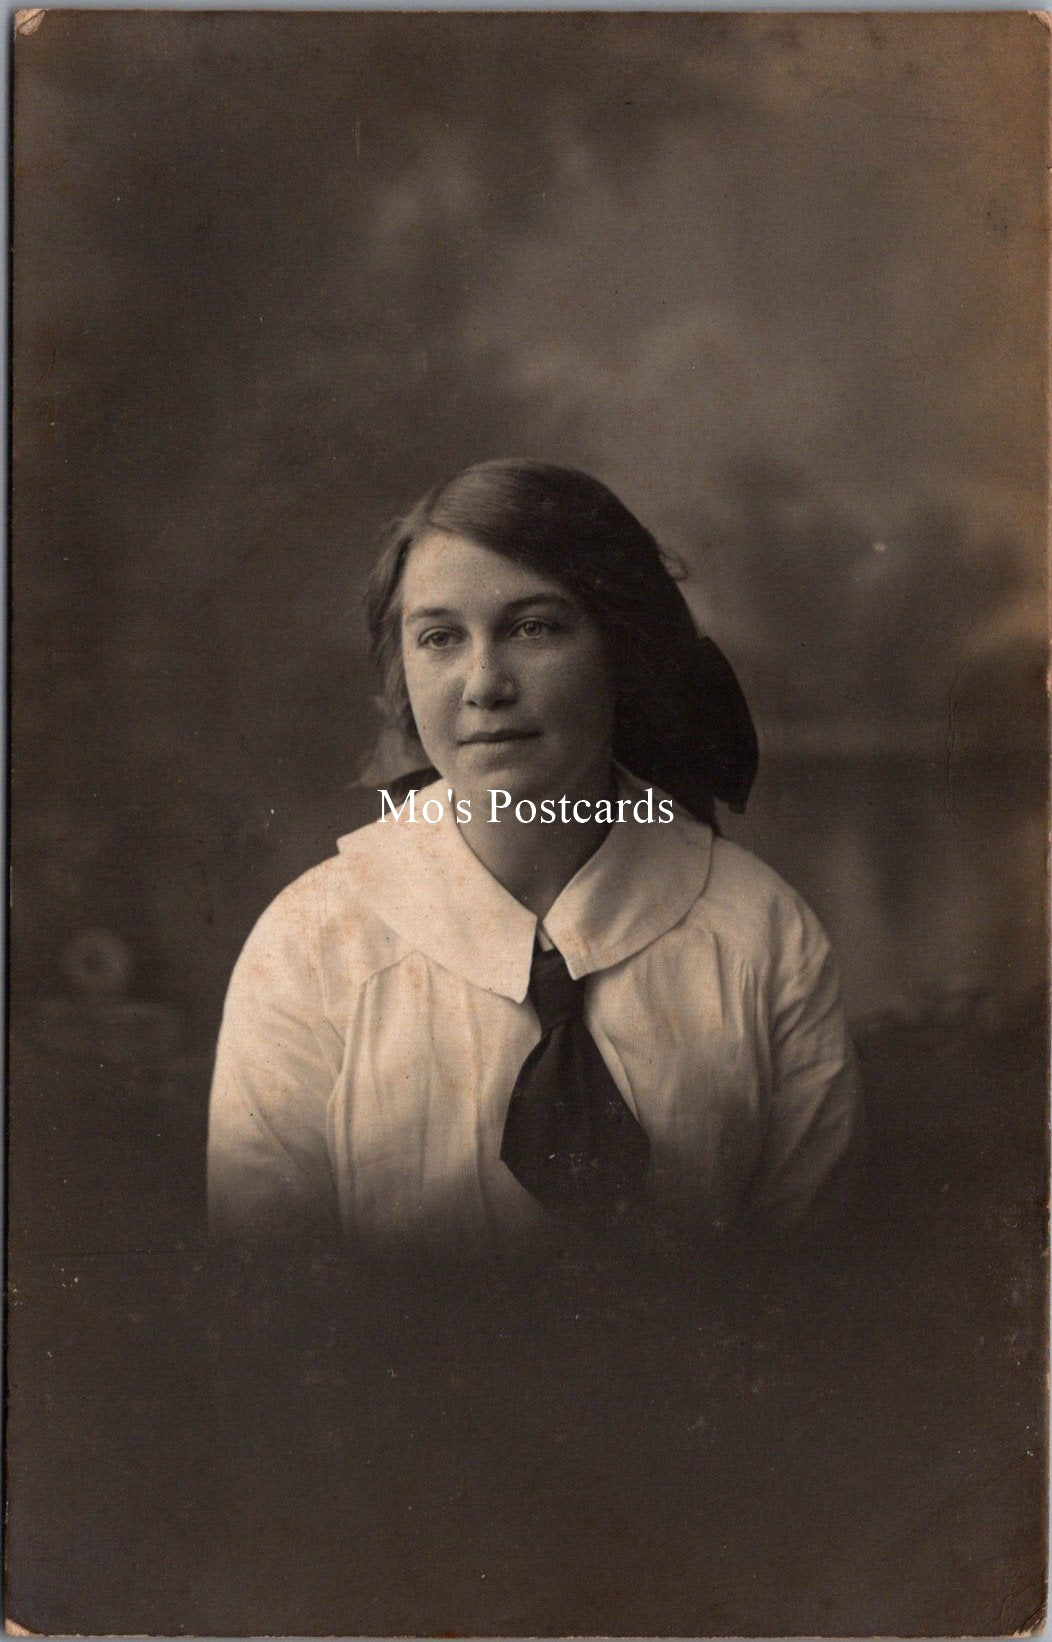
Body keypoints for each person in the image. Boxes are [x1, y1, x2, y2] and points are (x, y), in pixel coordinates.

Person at [207, 458, 864, 1255]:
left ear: (623, 651)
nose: (484, 684)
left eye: (534, 628)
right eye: (441, 638)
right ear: (403, 669)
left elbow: (817, 1287)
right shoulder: (312, 945)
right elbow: (271, 1304)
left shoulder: (762, 934)